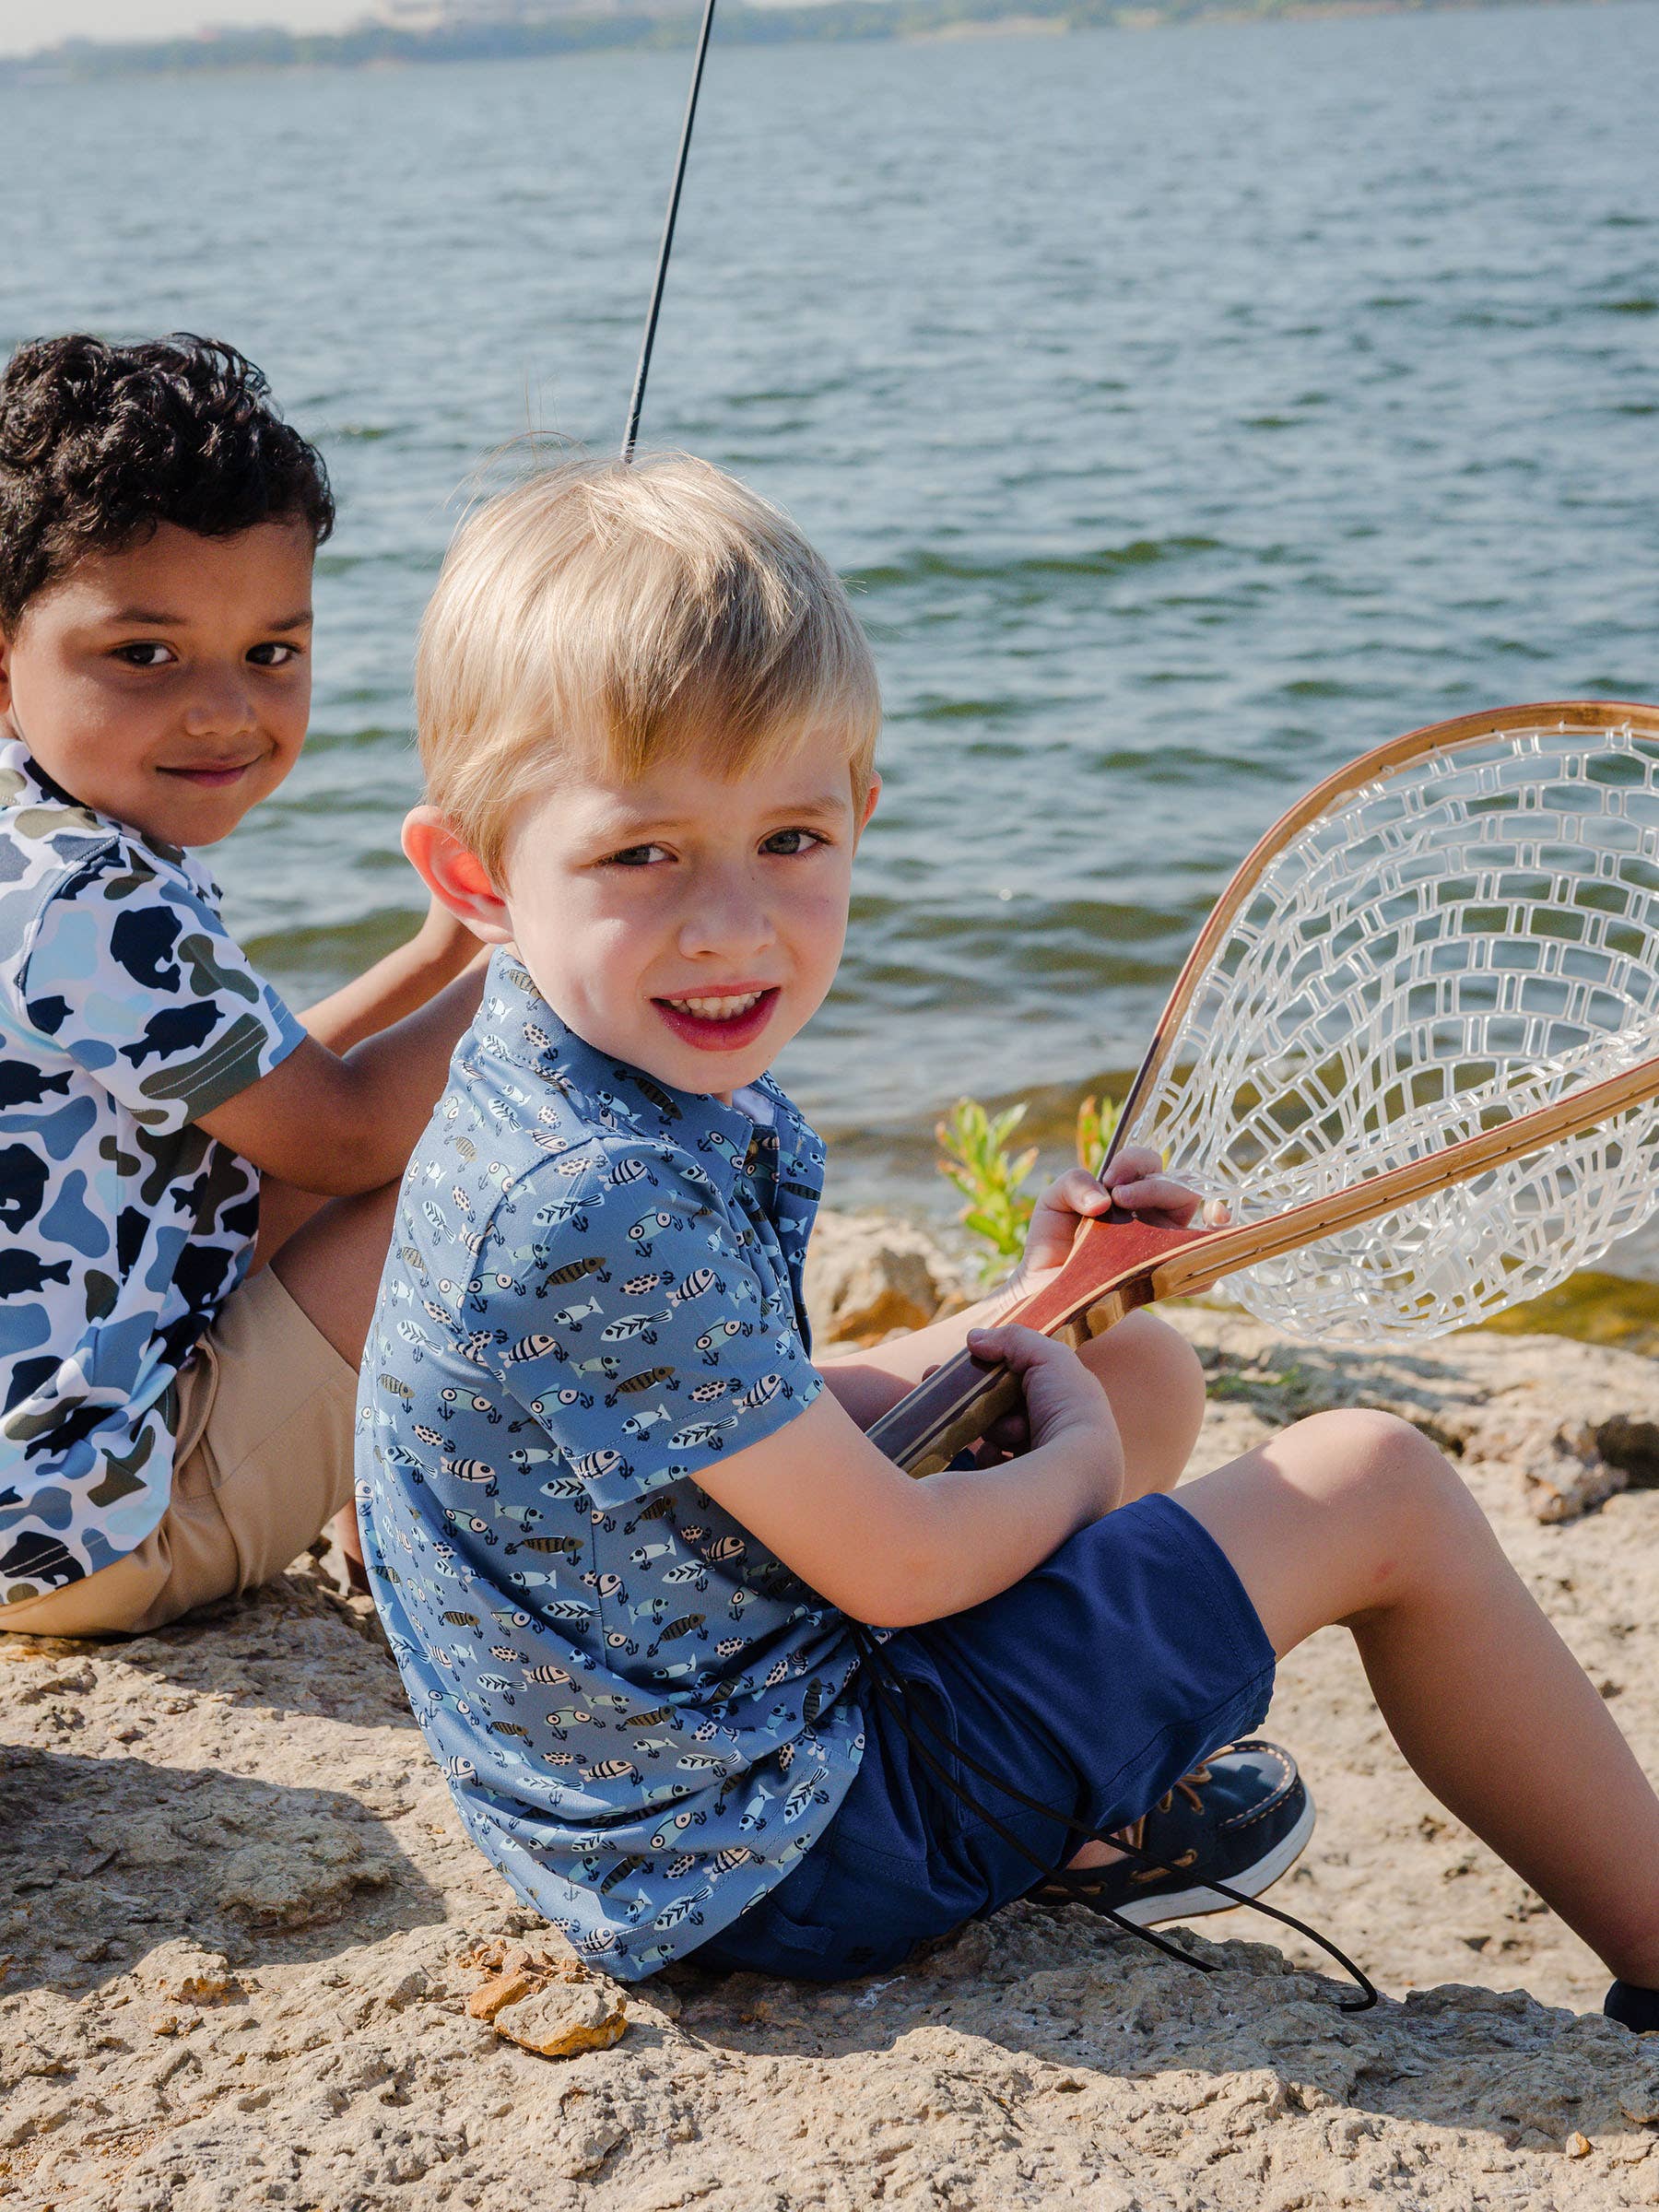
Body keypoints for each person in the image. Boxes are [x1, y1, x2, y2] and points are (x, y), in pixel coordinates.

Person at [359, 454, 1659, 2030]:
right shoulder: (598, 1195)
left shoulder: (558, 1075)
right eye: (643, 854)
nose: (733, 923)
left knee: (1139, 1361)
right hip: (790, 1846)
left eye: (790, 839)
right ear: (475, 875)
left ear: (861, 815)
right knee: (1377, 1483)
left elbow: (719, 1412)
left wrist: (1044, 1301)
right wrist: (1075, 1471)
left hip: (662, 1784)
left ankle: (1081, 1797)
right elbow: (899, 1567)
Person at [0, 332, 487, 1637]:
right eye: (146, 656)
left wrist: (441, 954)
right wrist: (549, 949)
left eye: (272, 652)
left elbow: (266, 1093)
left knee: (296, 1148)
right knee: (486, 1175)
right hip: (100, 1536)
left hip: (33, 1491)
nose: (225, 710)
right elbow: (343, 1134)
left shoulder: (38, 847)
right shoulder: (95, 904)